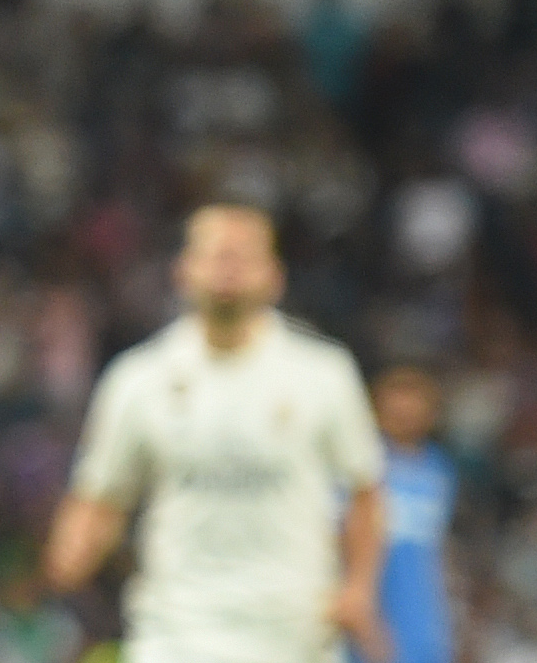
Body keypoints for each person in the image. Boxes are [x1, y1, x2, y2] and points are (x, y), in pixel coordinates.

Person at [45, 204, 387, 663]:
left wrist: (359, 588)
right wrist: (68, 557)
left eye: (243, 255)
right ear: (182, 271)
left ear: (275, 275)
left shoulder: (324, 374)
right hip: (176, 634)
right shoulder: (137, 380)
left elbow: (366, 491)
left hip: (294, 634)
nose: (229, 266)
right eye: (215, 254)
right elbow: (101, 496)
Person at [369, 366, 454, 663]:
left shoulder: (439, 469)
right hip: (371, 624)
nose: (404, 417)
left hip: (425, 627)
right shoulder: (361, 466)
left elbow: (435, 550)